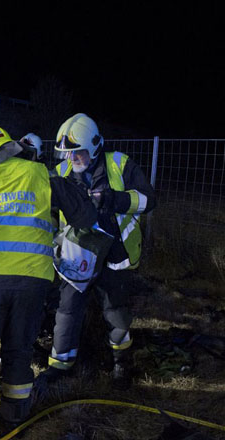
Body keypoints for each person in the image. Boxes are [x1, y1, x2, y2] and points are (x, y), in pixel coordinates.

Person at [0, 125, 97, 440]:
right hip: (34, 282)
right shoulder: (44, 176)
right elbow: (86, 218)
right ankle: (14, 423)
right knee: (19, 352)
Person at [44, 113, 156, 389]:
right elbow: (50, 211)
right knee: (67, 310)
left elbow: (147, 199)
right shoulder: (61, 173)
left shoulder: (119, 164)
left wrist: (112, 199)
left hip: (114, 255)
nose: (73, 160)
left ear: (94, 146)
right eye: (68, 154)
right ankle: (60, 366)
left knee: (115, 311)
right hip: (76, 255)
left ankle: (122, 364)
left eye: (78, 153)